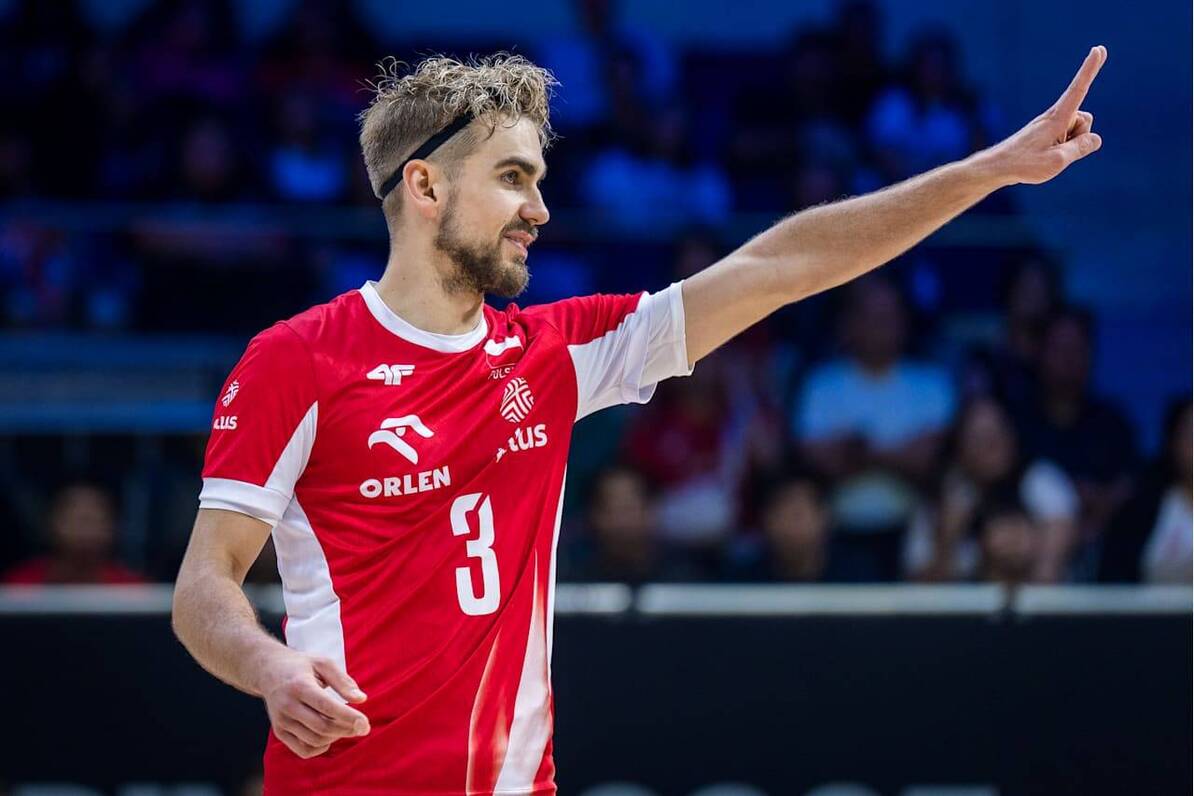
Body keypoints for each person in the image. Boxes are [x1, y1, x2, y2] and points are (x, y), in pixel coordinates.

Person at [171, 47, 1108, 794]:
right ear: (425, 188)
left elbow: (784, 265)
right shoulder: (298, 359)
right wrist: (269, 667)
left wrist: (989, 172)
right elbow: (204, 586)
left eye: (539, 180)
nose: (539, 209)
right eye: (512, 178)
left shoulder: (557, 351)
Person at [794, 275, 956, 581]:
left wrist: (860, 452)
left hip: (914, 533)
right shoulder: (822, 385)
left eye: (888, 317)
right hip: (837, 535)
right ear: (849, 322)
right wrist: (898, 453)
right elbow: (818, 462)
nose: (879, 326)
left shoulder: (931, 384)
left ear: (904, 321)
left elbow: (928, 461)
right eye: (869, 316)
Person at [905, 396, 1078, 583]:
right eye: (978, 437)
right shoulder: (940, 498)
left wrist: (1028, 557)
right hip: (963, 599)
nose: (992, 444)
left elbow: (1048, 577)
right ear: (959, 447)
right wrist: (947, 539)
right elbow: (919, 589)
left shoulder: (1041, 480)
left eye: (999, 432)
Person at [1099, 397, 1193, 584]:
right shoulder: (1141, 508)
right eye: (1191, 434)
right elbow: (1114, 579)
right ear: (1172, 441)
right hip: (1152, 602)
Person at [2, 480, 146, 585]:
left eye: (94, 518)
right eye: (75, 518)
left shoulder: (133, 590)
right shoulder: (18, 586)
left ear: (113, 526)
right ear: (50, 523)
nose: (84, 528)